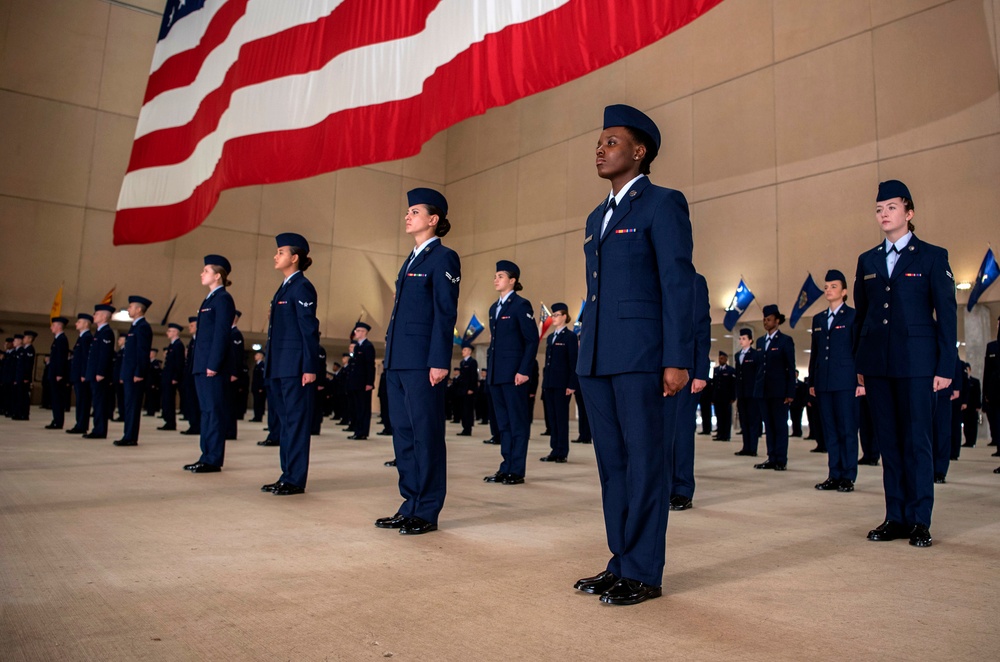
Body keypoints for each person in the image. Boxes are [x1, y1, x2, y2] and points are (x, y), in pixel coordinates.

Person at [573, 104, 694, 606]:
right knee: (612, 465)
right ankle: (620, 560)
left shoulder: (662, 203)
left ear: (639, 151)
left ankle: (644, 571)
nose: (601, 149)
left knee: (645, 462)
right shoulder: (597, 215)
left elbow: (677, 282)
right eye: (599, 143)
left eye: (612, 141)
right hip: (598, 357)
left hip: (643, 356)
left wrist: (677, 357)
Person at [854, 180, 957, 547]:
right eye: (879, 209)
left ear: (909, 213)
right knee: (889, 442)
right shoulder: (867, 260)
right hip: (878, 364)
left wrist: (947, 367)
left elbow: (946, 316)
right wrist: (858, 365)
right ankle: (895, 516)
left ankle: (919, 520)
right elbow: (862, 316)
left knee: (917, 441)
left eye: (892, 208)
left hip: (917, 364)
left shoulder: (932, 256)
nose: (884, 214)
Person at [375, 187, 460, 534]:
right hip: (399, 361)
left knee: (426, 435)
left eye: (414, 211)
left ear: (433, 219)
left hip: (424, 363)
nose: (407, 216)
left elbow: (445, 313)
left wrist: (440, 361)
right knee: (404, 436)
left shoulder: (443, 258)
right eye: (407, 211)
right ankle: (409, 503)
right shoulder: (410, 260)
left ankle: (426, 510)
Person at [261, 234, 321, 495]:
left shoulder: (302, 287)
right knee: (284, 423)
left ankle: (295, 479)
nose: (276, 256)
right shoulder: (284, 287)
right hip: (279, 366)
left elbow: (309, 330)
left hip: (295, 367)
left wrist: (309, 367)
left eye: (281, 252)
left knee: (295, 423)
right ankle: (286, 474)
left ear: (294, 258)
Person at [483, 260, 539, 486]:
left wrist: (524, 370)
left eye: (501, 276)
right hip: (497, 375)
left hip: (515, 375)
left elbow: (531, 340)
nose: (496, 279)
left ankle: (516, 470)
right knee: (503, 424)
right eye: (495, 276)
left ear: (513, 280)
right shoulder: (493, 308)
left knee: (517, 423)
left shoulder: (521, 305)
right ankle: (505, 467)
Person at [182, 255, 237, 473]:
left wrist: (213, 364)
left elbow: (221, 334)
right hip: (202, 365)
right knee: (206, 412)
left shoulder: (223, 299)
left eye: (206, 270)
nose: (202, 274)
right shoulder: (209, 299)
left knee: (213, 412)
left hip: (212, 367)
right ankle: (205, 455)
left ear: (217, 275)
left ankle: (213, 458)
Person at [808, 269, 861, 493]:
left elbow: (858, 349)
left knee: (847, 429)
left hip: (846, 381)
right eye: (827, 286)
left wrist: (861, 380)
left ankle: (848, 475)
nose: (829, 290)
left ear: (844, 291)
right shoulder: (819, 319)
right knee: (830, 430)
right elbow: (815, 352)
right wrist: (812, 381)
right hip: (824, 382)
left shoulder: (853, 316)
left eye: (834, 286)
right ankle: (834, 474)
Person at [670, 273, 710, 511]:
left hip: (685, 370)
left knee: (682, 431)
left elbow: (701, 327)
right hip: (654, 368)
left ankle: (682, 489)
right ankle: (662, 486)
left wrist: (701, 373)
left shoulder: (694, 281)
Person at [753, 305, 795, 471]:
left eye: (769, 319)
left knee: (780, 425)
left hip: (779, 391)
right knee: (768, 425)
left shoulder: (785, 341)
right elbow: (758, 367)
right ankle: (771, 457)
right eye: (764, 319)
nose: (765, 322)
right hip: (763, 390)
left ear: (777, 321)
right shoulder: (761, 341)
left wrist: (790, 392)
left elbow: (790, 367)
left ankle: (780, 459)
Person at [540, 303, 579, 462]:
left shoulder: (569, 337)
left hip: (562, 384)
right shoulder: (550, 337)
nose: (554, 318)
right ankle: (554, 449)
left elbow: (573, 362)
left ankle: (562, 451)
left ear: (564, 316)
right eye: (553, 315)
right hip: (549, 383)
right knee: (552, 418)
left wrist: (572, 384)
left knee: (561, 418)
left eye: (556, 315)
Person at [115, 296, 152, 446]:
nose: (128, 309)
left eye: (130, 307)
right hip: (129, 373)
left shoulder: (143, 327)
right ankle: (127, 435)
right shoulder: (135, 326)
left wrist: (139, 373)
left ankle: (130, 437)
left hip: (135, 374)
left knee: (133, 406)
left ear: (138, 309)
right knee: (128, 405)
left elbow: (142, 352)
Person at [84, 304, 116, 439]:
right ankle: (97, 428)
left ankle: (100, 430)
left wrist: (101, 372)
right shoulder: (99, 332)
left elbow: (105, 354)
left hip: (100, 375)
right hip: (94, 373)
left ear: (103, 316)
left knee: (100, 403)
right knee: (96, 402)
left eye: (96, 314)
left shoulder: (107, 332)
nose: (94, 316)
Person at [734, 328, 761, 456]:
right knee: (744, 420)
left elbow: (757, 374)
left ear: (750, 340)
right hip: (742, 393)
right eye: (740, 338)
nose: (741, 341)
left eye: (744, 338)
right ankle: (746, 447)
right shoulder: (737, 355)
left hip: (752, 393)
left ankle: (753, 448)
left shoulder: (755, 355)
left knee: (753, 421)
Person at [66, 313, 94, 435]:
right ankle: (79, 424)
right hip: (78, 374)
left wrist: (84, 374)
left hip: (81, 375)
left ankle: (81, 425)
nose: (76, 324)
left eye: (79, 322)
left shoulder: (87, 337)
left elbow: (86, 357)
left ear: (86, 324)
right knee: (80, 400)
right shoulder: (82, 337)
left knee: (83, 401)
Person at [348, 322, 375, 440]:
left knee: (363, 408)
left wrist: (370, 382)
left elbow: (370, 366)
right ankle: (357, 430)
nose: (356, 333)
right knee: (357, 408)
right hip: (356, 383)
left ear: (364, 332)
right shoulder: (358, 347)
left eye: (358, 331)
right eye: (356, 331)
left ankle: (363, 432)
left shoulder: (368, 346)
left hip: (364, 383)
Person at [158, 323, 185, 431]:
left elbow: (179, 363)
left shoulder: (178, 345)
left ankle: (170, 422)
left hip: (171, 378)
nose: (167, 333)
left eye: (169, 331)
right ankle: (167, 421)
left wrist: (175, 377)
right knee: (166, 400)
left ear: (175, 332)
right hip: (167, 377)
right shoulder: (172, 345)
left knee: (169, 400)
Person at [45, 317, 70, 429]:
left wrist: (59, 373)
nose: (51, 327)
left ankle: (58, 421)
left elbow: (61, 358)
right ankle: (56, 419)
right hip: (54, 373)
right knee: (54, 398)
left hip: (57, 375)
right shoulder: (57, 339)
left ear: (59, 326)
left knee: (57, 398)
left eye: (53, 325)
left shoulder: (62, 339)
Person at [225, 310, 246, 440]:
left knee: (230, 404)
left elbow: (237, 356)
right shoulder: (229, 333)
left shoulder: (235, 334)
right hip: (227, 373)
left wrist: (234, 372)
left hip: (231, 374)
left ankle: (230, 431)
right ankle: (226, 429)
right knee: (226, 404)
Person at [180, 316, 200, 436]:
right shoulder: (193, 340)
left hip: (196, 376)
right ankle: (193, 424)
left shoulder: (200, 340)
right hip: (190, 375)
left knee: (196, 402)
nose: (189, 327)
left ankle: (197, 425)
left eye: (192, 325)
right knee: (191, 401)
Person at [711, 351, 735, 441]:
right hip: (718, 398)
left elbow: (733, 385)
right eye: (719, 358)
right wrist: (712, 397)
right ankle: (720, 434)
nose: (720, 360)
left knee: (726, 417)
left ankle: (726, 435)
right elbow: (714, 385)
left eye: (722, 358)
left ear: (726, 359)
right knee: (719, 416)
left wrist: (733, 397)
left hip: (727, 398)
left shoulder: (731, 370)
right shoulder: (716, 370)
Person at [455, 344, 478, 436]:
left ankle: (468, 428)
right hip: (462, 390)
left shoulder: (472, 362)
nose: (462, 352)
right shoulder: (462, 363)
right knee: (463, 409)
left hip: (469, 390)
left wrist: (471, 388)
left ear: (469, 351)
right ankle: (464, 427)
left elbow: (473, 376)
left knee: (468, 409)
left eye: (465, 350)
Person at [14, 331, 37, 420]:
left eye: (25, 338)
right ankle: (19, 413)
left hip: (24, 378)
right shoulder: (24, 349)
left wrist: (26, 377)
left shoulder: (30, 349)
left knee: (24, 397)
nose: (23, 339)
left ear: (30, 339)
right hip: (20, 376)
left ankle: (24, 414)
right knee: (20, 396)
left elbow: (28, 365)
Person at [961, 362, 980, 448]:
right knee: (966, 425)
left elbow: (978, 394)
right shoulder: (963, 381)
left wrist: (978, 405)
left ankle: (972, 441)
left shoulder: (975, 381)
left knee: (973, 425)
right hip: (965, 406)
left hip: (973, 406)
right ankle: (967, 441)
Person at [250, 350, 266, 422]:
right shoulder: (257, 365)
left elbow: (262, 378)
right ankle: (256, 416)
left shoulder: (262, 365)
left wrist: (261, 387)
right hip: (255, 387)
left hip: (260, 388)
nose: (255, 356)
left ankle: (258, 417)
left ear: (261, 356)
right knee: (256, 403)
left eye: (257, 355)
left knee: (259, 403)